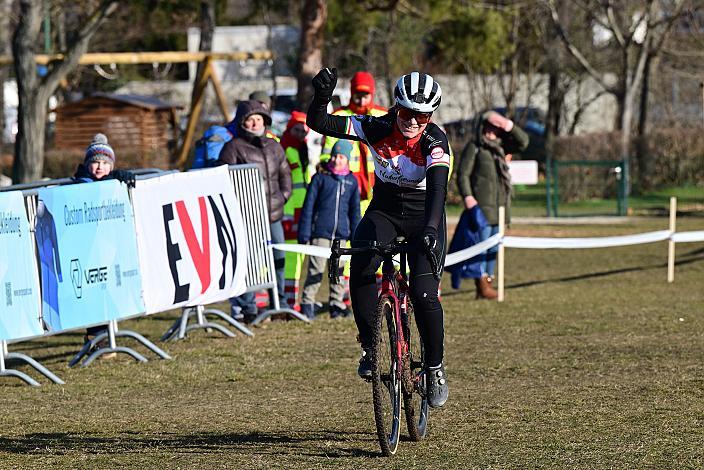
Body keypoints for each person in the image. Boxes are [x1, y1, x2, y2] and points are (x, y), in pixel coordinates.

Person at [307, 68, 450, 408]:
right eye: (406, 113)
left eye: (422, 116)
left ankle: (434, 367)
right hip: (385, 209)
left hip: (424, 213)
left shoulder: (436, 141)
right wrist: (322, 98)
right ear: (395, 108)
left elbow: (439, 190)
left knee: (424, 291)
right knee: (361, 265)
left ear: (430, 116)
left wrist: (430, 230)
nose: (413, 122)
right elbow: (321, 124)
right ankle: (371, 347)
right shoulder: (376, 126)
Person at [218, 100, 292, 323]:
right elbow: (223, 180)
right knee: (250, 262)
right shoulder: (232, 148)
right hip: (248, 218)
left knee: (278, 258)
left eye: (258, 119)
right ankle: (248, 308)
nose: (254, 123)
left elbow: (285, 176)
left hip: (274, 215)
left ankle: (279, 303)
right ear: (242, 123)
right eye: (250, 119)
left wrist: (282, 197)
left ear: (265, 121)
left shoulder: (274, 146)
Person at [456, 111, 529, 299]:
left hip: (500, 207)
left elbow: (523, 142)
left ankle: (488, 283)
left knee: (494, 248)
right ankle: (481, 283)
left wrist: (508, 124)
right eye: (488, 125)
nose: (491, 130)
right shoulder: (475, 147)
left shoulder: (502, 147)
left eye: (495, 127)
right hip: (481, 208)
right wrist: (468, 197)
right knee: (481, 246)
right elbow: (462, 174)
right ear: (482, 126)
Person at [72, 133, 135, 349]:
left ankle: (107, 334)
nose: (100, 167)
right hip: (88, 248)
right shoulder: (81, 181)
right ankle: (95, 337)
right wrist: (111, 179)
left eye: (105, 164)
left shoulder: (110, 180)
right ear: (87, 164)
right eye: (95, 162)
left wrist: (118, 179)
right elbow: (88, 191)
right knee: (93, 292)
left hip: (108, 244)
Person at [297, 140, 361, 320]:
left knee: (338, 273)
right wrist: (304, 233)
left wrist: (356, 238)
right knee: (315, 271)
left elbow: (354, 211)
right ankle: (307, 304)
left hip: (341, 236)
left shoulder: (352, 181)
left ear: (347, 159)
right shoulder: (320, 178)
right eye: (334, 156)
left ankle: (336, 304)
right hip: (321, 234)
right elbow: (308, 207)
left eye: (341, 157)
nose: (336, 160)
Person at [320, 71, 387, 202]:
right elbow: (326, 152)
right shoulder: (339, 116)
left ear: (372, 94)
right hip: (346, 181)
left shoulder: (383, 116)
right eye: (358, 95)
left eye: (365, 96)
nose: (361, 101)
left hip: (378, 181)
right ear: (351, 93)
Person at [280, 111, 310, 310]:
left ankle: (292, 299)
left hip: (302, 209)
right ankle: (288, 300)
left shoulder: (302, 149)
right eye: (297, 129)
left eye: (303, 130)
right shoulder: (285, 149)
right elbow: (286, 184)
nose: (301, 133)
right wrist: (287, 213)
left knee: (299, 256)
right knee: (291, 255)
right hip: (289, 210)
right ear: (290, 129)